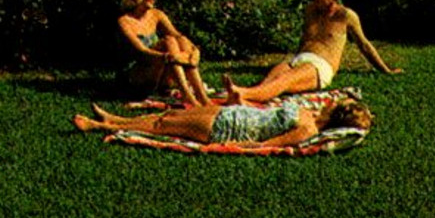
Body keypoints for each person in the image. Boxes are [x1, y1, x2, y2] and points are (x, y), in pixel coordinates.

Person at [221, 0, 402, 104]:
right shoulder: (310, 10)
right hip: (299, 59)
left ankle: (242, 93)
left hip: (320, 66)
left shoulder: (346, 16)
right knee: (271, 78)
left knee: (283, 82)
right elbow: (305, 38)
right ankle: (245, 99)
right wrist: (293, 60)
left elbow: (364, 45)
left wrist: (386, 70)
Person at [72, 97, 374, 149]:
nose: (336, 100)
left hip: (227, 129)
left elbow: (268, 144)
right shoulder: (311, 112)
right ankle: (117, 119)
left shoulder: (308, 129)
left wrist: (230, 146)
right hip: (230, 114)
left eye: (341, 104)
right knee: (169, 117)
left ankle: (99, 127)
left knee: (163, 128)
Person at [115, 0, 211, 107]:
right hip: (136, 76)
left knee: (179, 40)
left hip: (159, 71)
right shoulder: (124, 21)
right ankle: (186, 95)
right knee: (168, 41)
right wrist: (169, 57)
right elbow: (142, 51)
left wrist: (194, 51)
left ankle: (202, 96)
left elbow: (178, 36)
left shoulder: (157, 15)